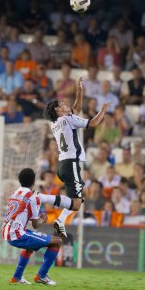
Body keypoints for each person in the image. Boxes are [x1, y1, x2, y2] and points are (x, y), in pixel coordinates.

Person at [43, 77, 110, 237]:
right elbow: (93, 123)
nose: (66, 105)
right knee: (77, 203)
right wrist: (103, 110)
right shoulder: (68, 118)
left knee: (81, 195)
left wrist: (79, 90)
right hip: (71, 163)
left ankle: (60, 221)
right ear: (58, 110)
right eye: (63, 105)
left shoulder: (55, 123)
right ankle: (42, 198)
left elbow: (76, 109)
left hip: (63, 165)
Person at [3, 168, 74, 285]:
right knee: (57, 241)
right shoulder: (33, 197)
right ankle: (41, 276)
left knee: (30, 246)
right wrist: (43, 219)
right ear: (33, 181)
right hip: (17, 234)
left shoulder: (14, 193)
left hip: (7, 231)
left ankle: (16, 277)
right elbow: (36, 225)